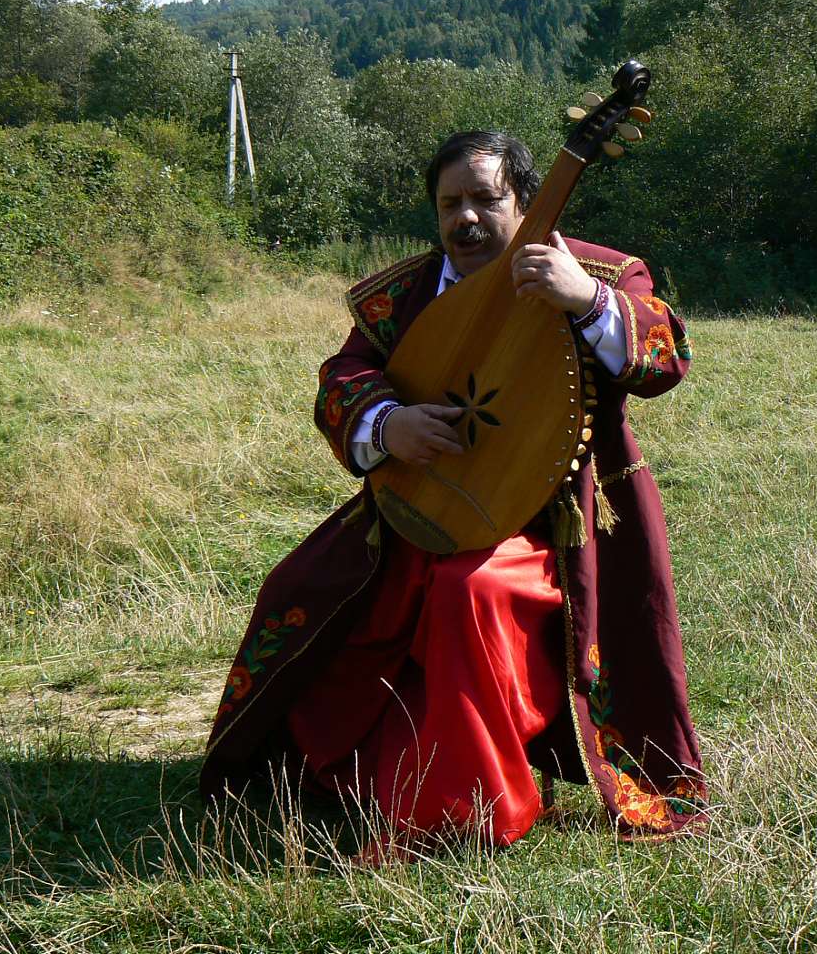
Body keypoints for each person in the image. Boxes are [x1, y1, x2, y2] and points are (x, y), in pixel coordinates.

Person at [202, 131, 705, 851]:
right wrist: (389, 423)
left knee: (470, 593)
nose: (465, 218)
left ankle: (463, 808)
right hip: (423, 506)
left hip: (555, 523)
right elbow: (341, 382)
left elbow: (666, 359)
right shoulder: (406, 295)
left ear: (526, 204)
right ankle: (342, 772)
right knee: (300, 591)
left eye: (485, 199)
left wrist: (587, 300)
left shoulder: (601, 272)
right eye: (450, 204)